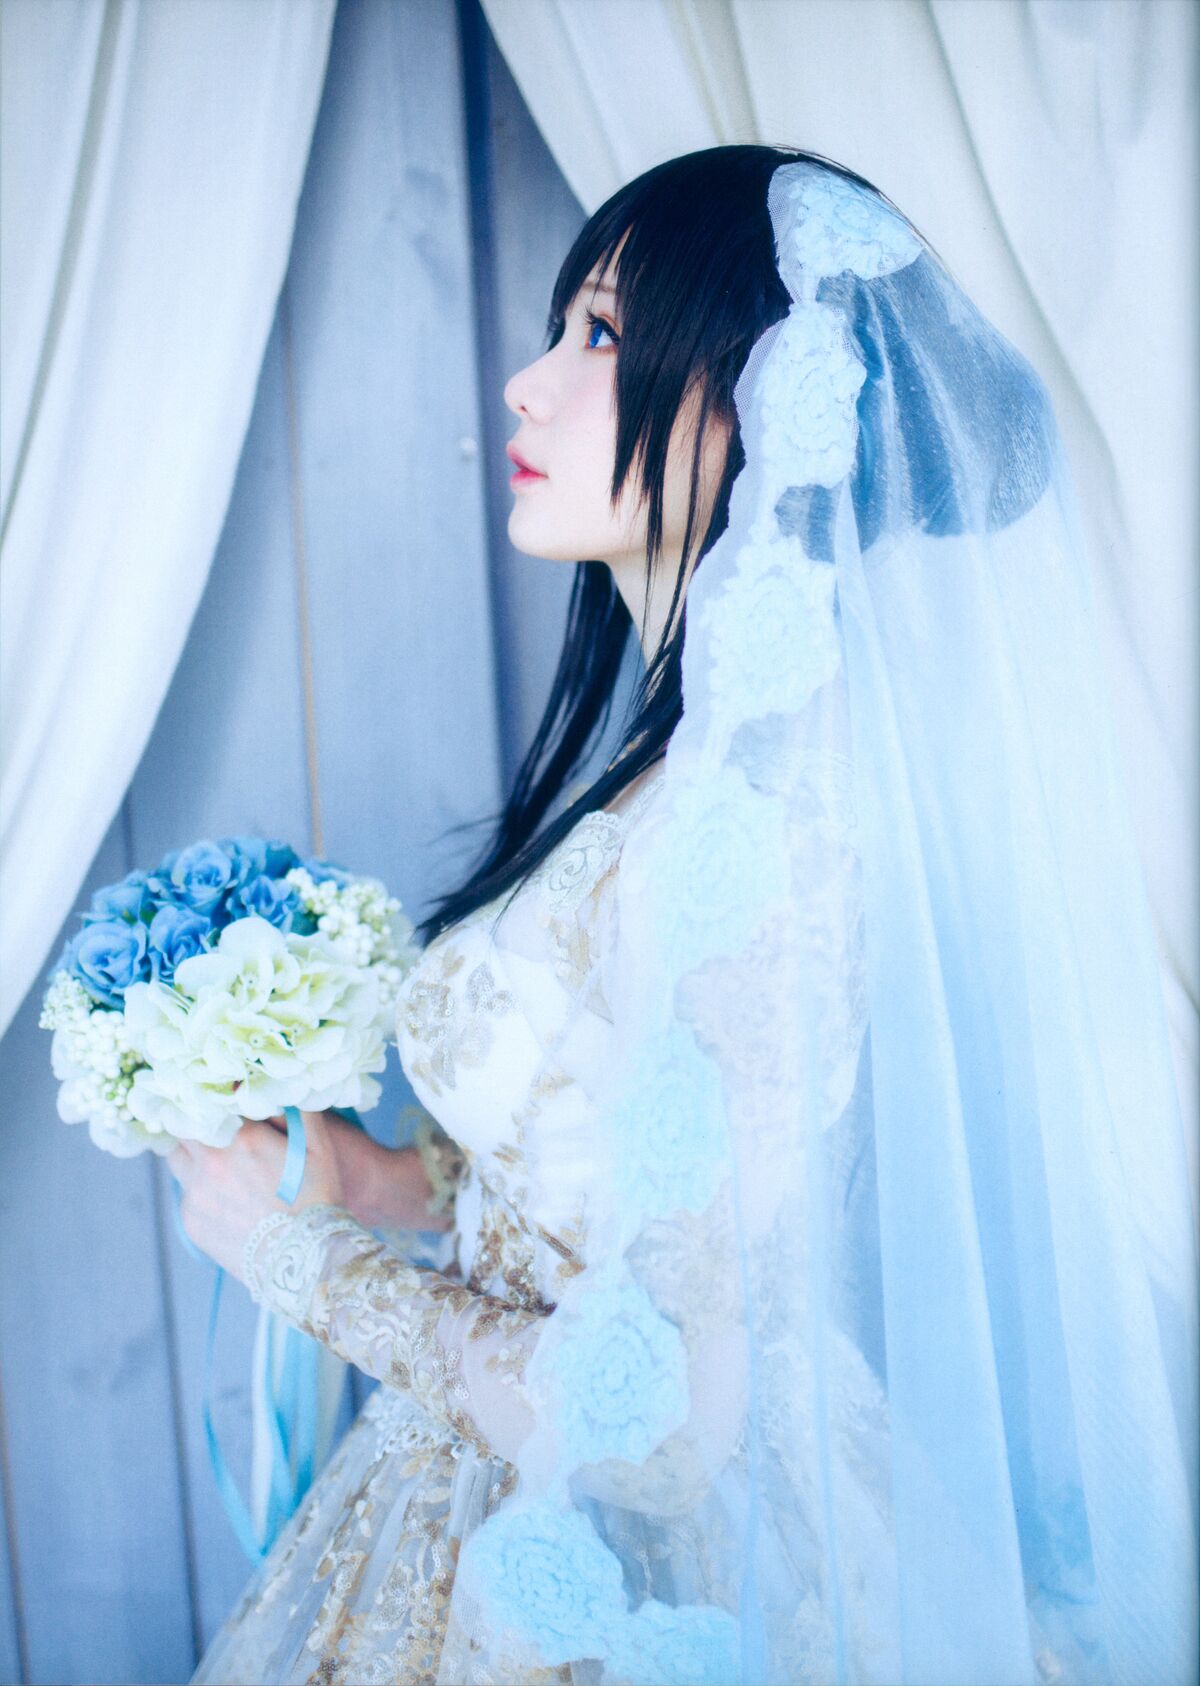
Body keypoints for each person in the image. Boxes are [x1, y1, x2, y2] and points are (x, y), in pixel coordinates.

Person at [174, 146, 1197, 1685]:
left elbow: (658, 1426)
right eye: (563, 329)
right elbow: (607, 1155)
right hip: (481, 1478)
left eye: (599, 333)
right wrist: (384, 1181)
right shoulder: (682, 780)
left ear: (767, 403)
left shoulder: (760, 845)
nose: (527, 386)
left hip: (642, 1558)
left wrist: (296, 1260)